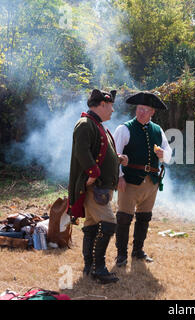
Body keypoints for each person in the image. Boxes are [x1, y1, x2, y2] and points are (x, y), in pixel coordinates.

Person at [68, 89, 128, 284]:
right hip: (96, 186)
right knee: (110, 223)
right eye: (111, 106)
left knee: (92, 225)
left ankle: (89, 266)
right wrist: (93, 173)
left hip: (102, 186)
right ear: (102, 104)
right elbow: (81, 151)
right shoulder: (85, 124)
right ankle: (99, 268)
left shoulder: (97, 125)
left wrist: (118, 159)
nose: (112, 110)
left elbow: (101, 152)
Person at [113, 91, 172, 267]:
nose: (141, 112)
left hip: (151, 181)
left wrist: (163, 155)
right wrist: (119, 177)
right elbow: (114, 155)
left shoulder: (158, 130)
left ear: (152, 112)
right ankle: (121, 255)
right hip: (129, 180)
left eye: (145, 110)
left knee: (144, 217)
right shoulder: (124, 129)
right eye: (139, 108)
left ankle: (138, 251)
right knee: (124, 218)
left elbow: (168, 154)